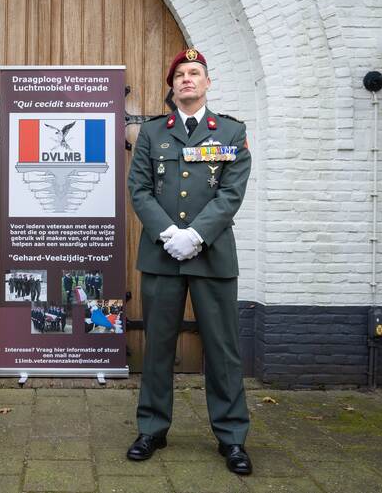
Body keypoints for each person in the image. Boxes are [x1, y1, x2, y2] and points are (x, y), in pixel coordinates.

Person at [126, 48, 253, 475]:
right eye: (179, 74)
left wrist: (196, 235)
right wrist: (169, 234)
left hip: (212, 256)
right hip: (162, 256)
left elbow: (231, 193)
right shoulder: (152, 134)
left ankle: (232, 437)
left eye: (194, 73)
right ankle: (152, 428)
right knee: (158, 347)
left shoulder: (232, 133)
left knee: (222, 349)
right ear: (172, 86)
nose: (186, 79)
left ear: (207, 83)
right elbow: (139, 189)